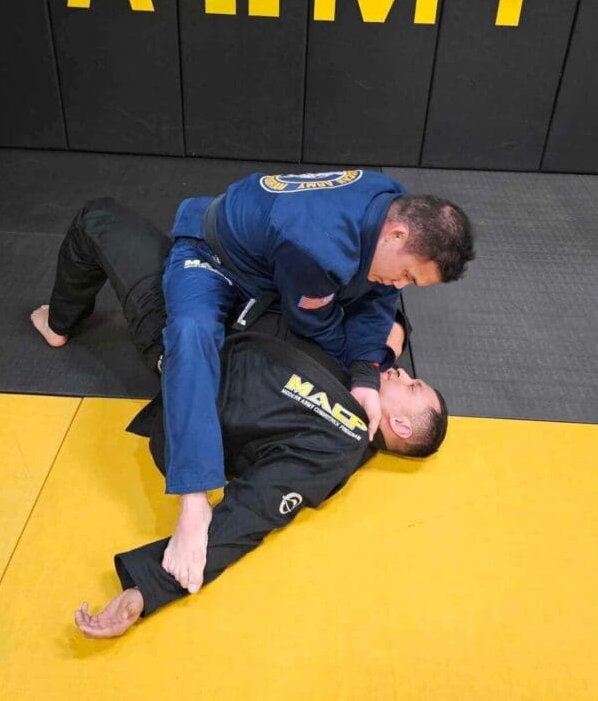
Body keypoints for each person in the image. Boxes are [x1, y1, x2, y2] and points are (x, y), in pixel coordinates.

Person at [29, 197, 449, 640]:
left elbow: (251, 512)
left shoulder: (338, 443)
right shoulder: (367, 366)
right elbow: (376, 302)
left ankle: (57, 322)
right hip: (222, 285)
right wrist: (387, 345)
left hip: (185, 342)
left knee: (98, 217)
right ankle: (64, 317)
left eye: (415, 388)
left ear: (401, 426)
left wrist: (148, 589)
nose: (407, 376)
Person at [144, 170, 473, 595]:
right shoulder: (319, 244)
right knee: (191, 335)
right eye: (409, 274)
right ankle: (192, 500)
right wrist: (363, 369)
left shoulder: (396, 205)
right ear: (396, 234)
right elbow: (313, 323)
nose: (402, 284)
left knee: (384, 319)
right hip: (211, 257)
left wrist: (365, 377)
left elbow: (379, 302)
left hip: (271, 263)